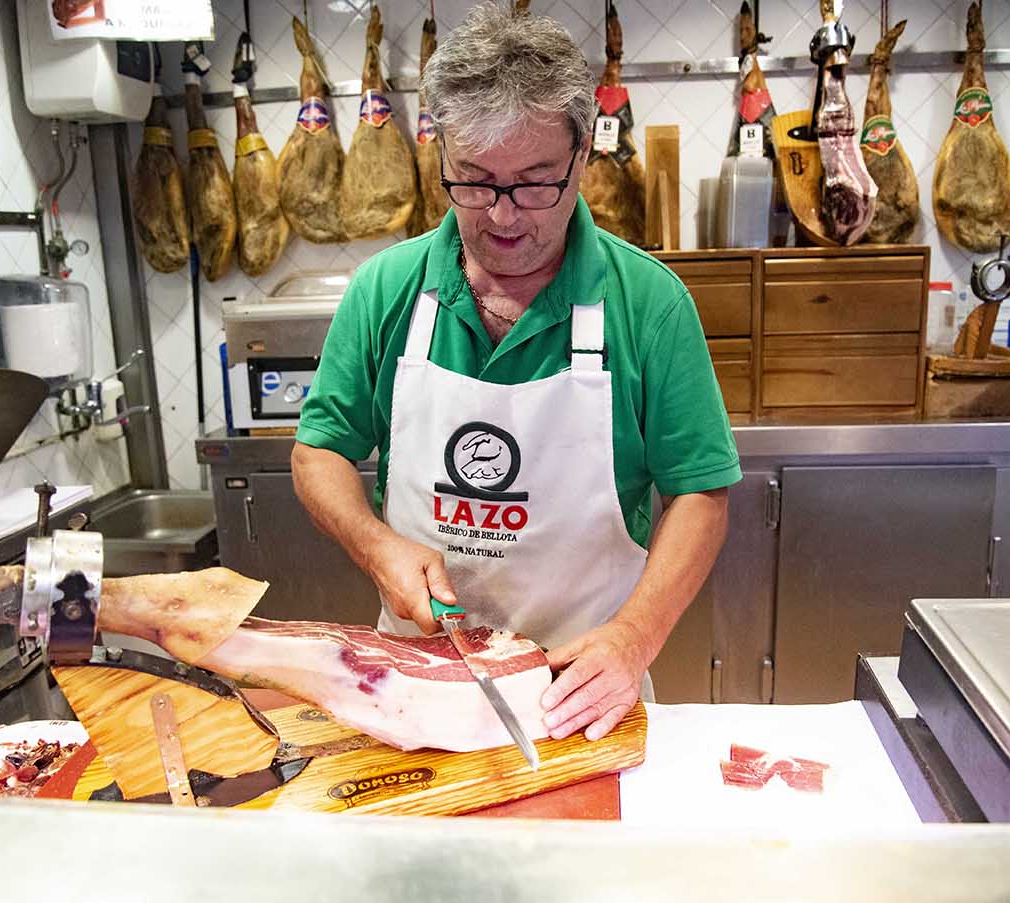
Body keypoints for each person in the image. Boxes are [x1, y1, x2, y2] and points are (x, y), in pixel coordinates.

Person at [291, 2, 739, 742]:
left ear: (582, 154)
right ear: (441, 157)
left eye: (534, 183)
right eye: (473, 181)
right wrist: (376, 546)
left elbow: (700, 494)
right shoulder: (386, 289)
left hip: (581, 688)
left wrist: (635, 637)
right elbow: (319, 452)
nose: (502, 216)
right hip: (415, 678)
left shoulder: (648, 303)